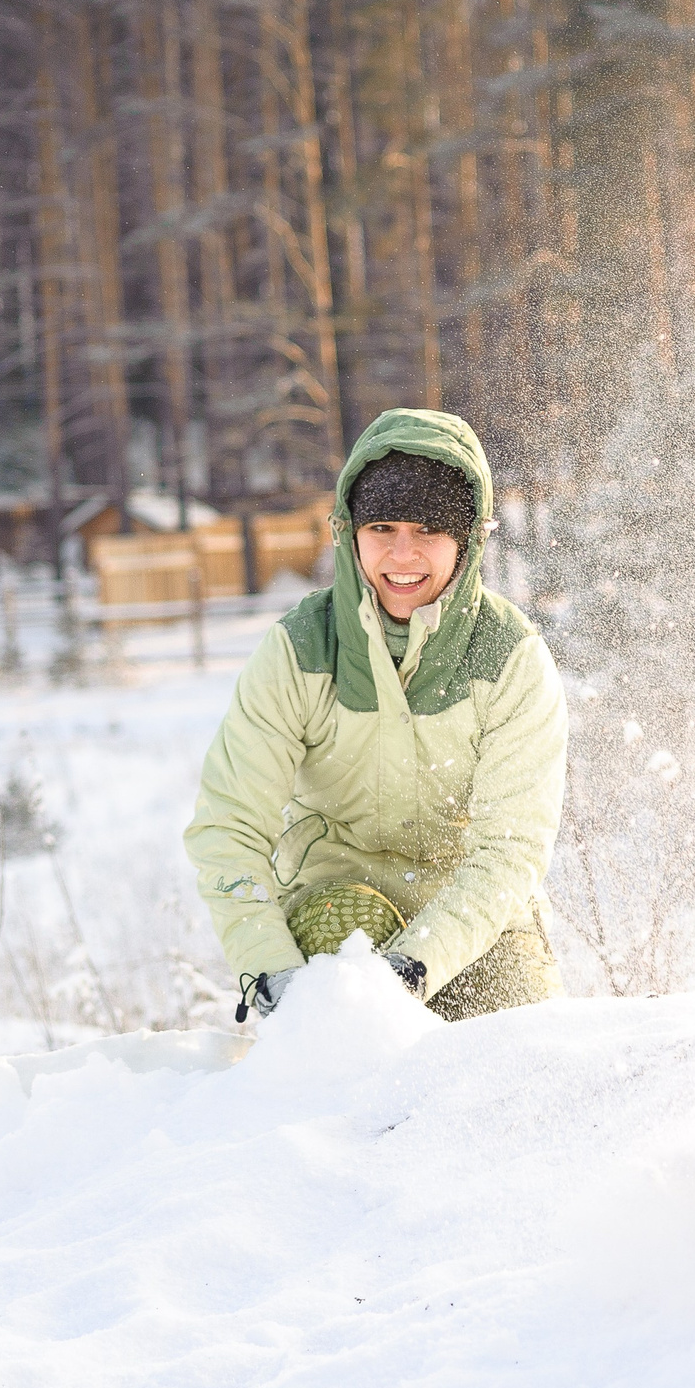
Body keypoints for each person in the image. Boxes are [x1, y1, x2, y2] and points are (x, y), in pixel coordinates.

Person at [184, 408, 567, 1023]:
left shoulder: (509, 658)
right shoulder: (300, 651)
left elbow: (509, 850)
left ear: (467, 539)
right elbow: (228, 830)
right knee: (346, 1034)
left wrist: (414, 965)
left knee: (515, 1059)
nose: (402, 554)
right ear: (348, 532)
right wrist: (271, 971)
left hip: (471, 917)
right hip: (335, 903)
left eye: (429, 530)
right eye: (382, 526)